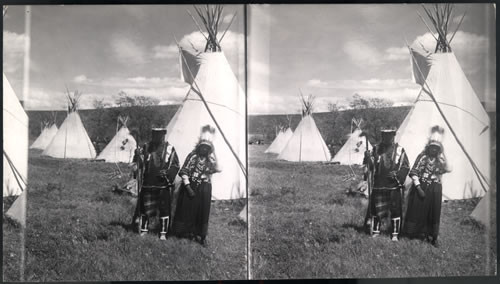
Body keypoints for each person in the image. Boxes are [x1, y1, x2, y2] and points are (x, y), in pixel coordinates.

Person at [172, 125, 220, 246]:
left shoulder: (210, 160)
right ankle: (184, 232)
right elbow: (184, 171)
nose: (204, 149)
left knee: (202, 211)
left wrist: (214, 154)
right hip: (191, 185)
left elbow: (219, 169)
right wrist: (188, 187)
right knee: (188, 209)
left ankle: (201, 235)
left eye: (207, 148)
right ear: (199, 147)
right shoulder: (193, 156)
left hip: (205, 188)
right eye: (202, 147)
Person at [403, 126, 450, 247]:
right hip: (422, 185)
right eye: (432, 148)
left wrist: (443, 154)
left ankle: (432, 236)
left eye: (436, 148)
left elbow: (449, 169)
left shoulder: (440, 160)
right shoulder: (422, 157)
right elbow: (414, 172)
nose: (434, 150)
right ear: (428, 148)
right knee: (417, 208)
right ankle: (412, 233)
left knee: (433, 211)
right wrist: (418, 188)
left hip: (435, 189)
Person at [133, 128, 179, 240]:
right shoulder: (146, 147)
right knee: (145, 208)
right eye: (155, 134)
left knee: (164, 208)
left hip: (162, 184)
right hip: (148, 182)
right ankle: (144, 229)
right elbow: (139, 163)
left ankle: (163, 233)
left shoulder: (170, 148)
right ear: (152, 134)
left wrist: (168, 173)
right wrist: (137, 155)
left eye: (160, 134)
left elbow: (176, 165)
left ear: (163, 135)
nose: (157, 136)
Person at [364, 128, 410, 241]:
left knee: (395, 209)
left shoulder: (400, 150)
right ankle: (376, 231)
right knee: (376, 209)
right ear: (382, 136)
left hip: (393, 185)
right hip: (379, 184)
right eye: (385, 135)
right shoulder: (376, 149)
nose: (387, 137)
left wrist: (398, 174)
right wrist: (368, 158)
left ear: (393, 136)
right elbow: (370, 166)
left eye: (390, 135)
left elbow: (406, 166)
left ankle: (395, 234)